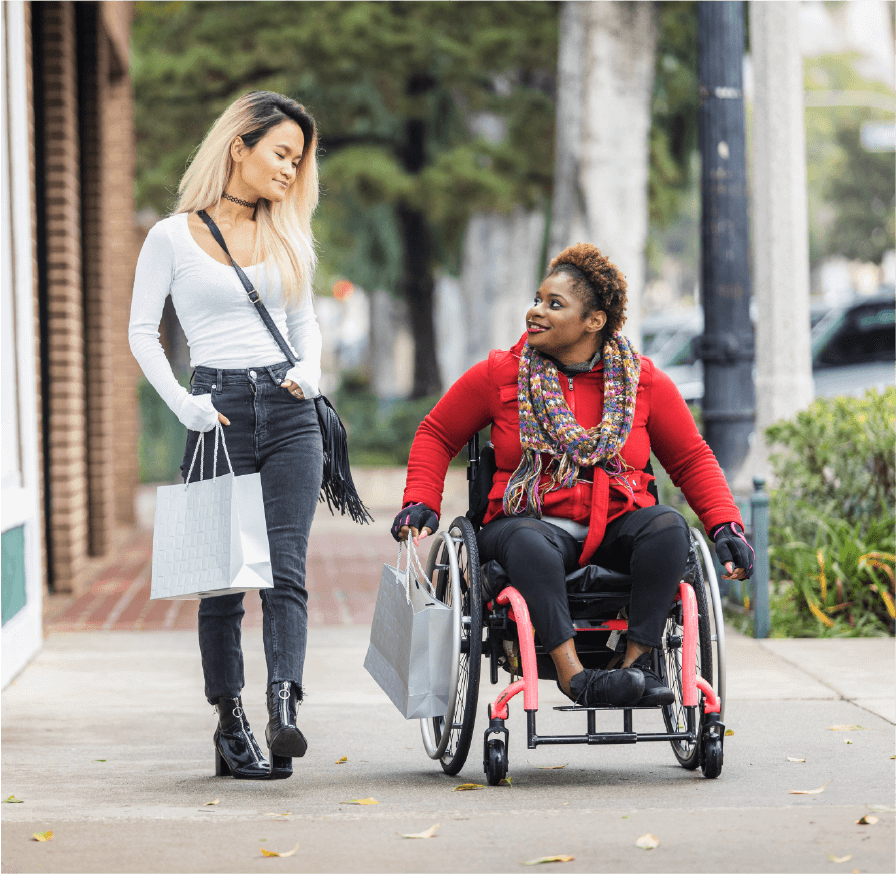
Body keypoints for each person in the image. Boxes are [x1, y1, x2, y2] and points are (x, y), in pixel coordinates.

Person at [391, 244, 753, 708]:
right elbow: (437, 432)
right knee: (529, 542)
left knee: (669, 529)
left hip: (617, 522)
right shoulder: (501, 374)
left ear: (594, 322)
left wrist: (725, 524)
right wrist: (421, 499)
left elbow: (691, 459)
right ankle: (574, 676)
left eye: (553, 304)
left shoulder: (641, 381)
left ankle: (635, 667)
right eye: (538, 299)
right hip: (528, 520)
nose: (535, 311)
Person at [129, 91, 323, 780]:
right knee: (221, 578)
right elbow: (140, 332)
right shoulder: (172, 236)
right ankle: (229, 718)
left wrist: (311, 373)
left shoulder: (288, 233)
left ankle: (283, 709)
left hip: (290, 409)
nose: (290, 171)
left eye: (298, 162)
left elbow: (306, 329)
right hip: (215, 413)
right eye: (280, 154)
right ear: (239, 145)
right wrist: (185, 404)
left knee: (286, 569)